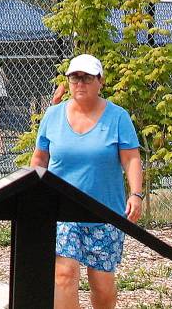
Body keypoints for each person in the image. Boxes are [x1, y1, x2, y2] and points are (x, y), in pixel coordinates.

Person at [30, 54, 144, 309]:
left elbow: (131, 159)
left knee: (102, 285)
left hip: (104, 212)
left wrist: (136, 194)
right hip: (61, 212)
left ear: (100, 81)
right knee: (63, 274)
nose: (80, 83)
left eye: (87, 77)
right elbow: (39, 159)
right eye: (75, 78)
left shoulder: (118, 117)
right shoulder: (53, 115)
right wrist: (34, 194)